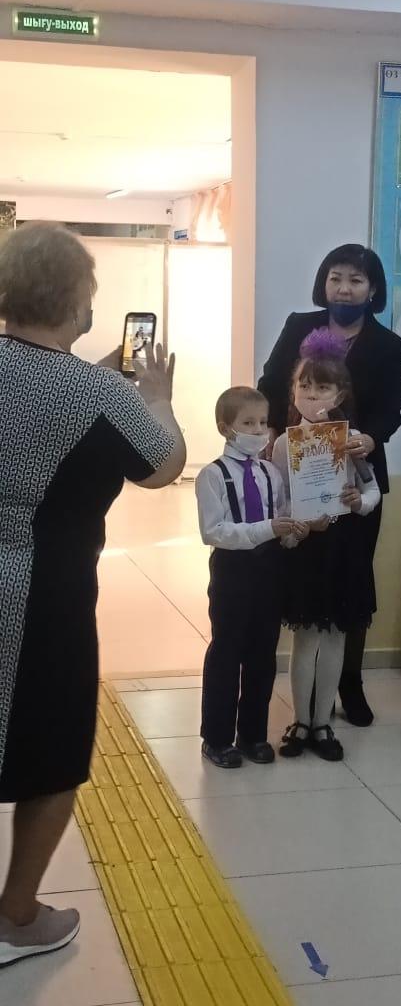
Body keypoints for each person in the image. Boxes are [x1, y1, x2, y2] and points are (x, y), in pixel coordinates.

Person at [0, 221, 186, 966]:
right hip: (42, 597)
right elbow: (162, 466)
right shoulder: (99, 391)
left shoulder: (88, 384)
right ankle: (15, 918)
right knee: (51, 751)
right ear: (78, 300)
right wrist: (158, 398)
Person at [258, 244, 401, 725]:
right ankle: (303, 703)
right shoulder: (299, 326)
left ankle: (350, 685)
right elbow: (269, 384)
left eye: (356, 280)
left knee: (350, 587)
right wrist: (271, 434)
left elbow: (391, 412)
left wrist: (369, 439)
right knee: (304, 586)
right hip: (299, 471)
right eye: (336, 278)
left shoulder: (389, 346)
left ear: (373, 289)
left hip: (354, 476)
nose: (344, 288)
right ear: (323, 283)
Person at [272, 330, 381, 761]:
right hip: (306, 547)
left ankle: (322, 723)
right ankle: (300, 721)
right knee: (305, 639)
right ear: (293, 391)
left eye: (322, 387)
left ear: (340, 394)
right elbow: (279, 499)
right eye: (304, 386)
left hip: (343, 547)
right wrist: (295, 530)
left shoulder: (352, 440)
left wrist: (359, 502)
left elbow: (372, 490)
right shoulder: (284, 444)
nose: (312, 395)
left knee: (335, 638)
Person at [196, 386, 300, 769]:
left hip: (269, 570)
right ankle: (217, 738)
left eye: (263, 423)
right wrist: (267, 529)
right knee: (227, 652)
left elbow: (281, 515)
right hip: (232, 571)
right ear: (226, 428)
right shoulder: (211, 475)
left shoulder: (270, 472)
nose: (258, 431)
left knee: (262, 654)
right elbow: (214, 531)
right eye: (248, 423)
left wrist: (293, 531)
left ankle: (253, 733)